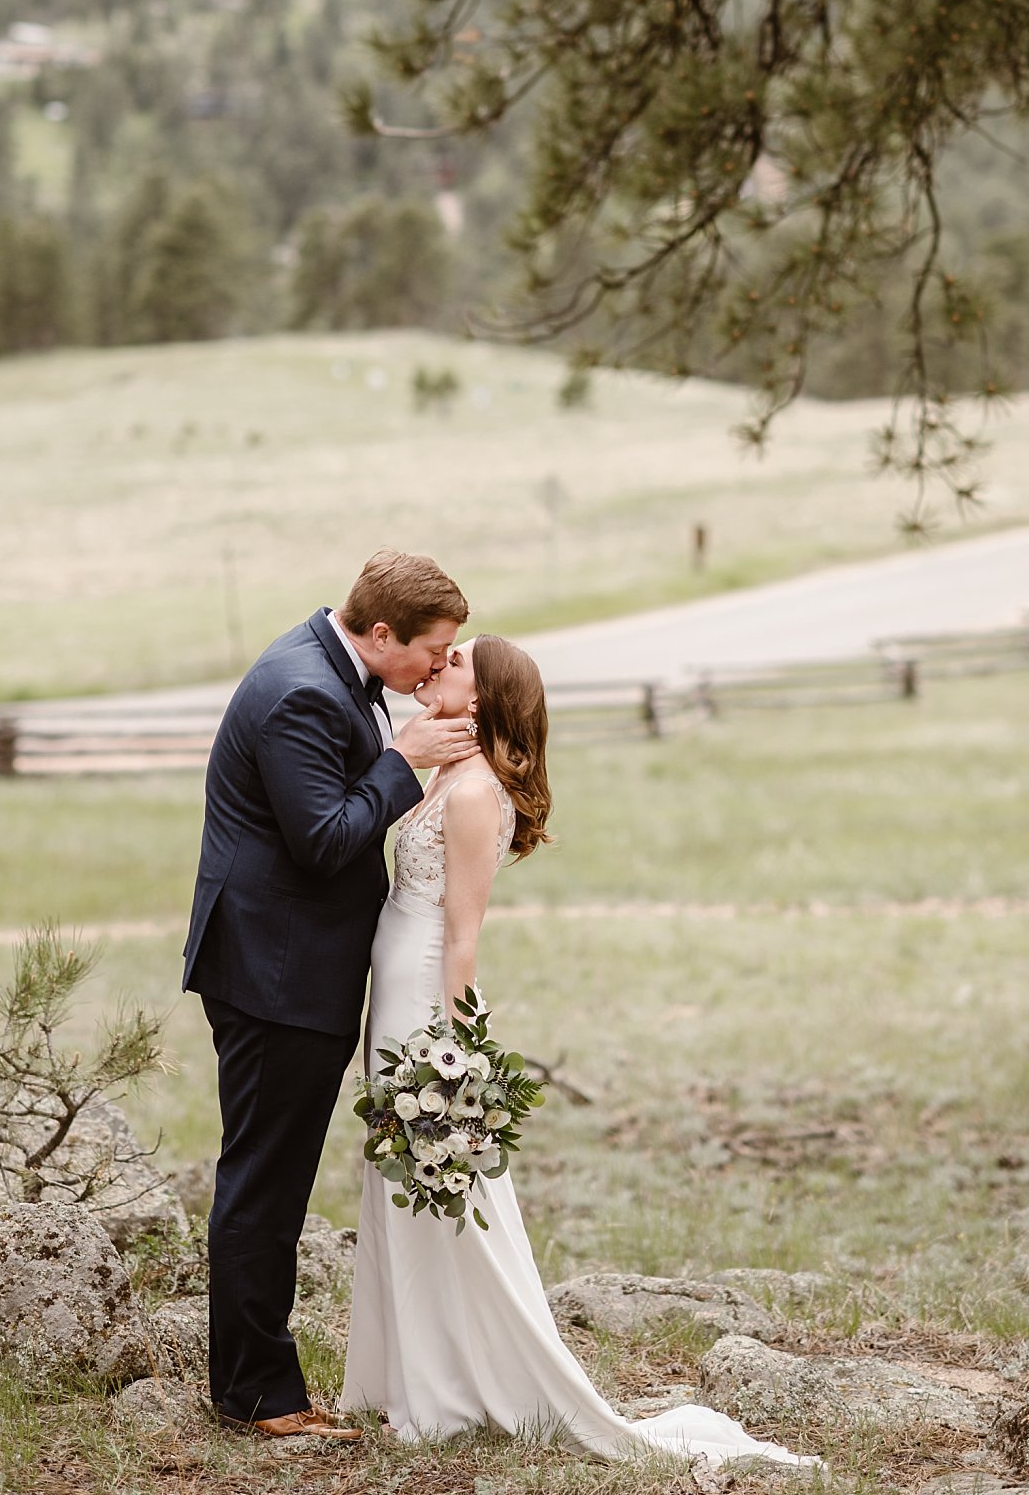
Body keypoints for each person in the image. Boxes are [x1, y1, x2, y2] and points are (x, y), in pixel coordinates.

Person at [341, 633, 818, 1470]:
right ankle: (412, 1372)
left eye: (453, 664)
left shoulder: (477, 792)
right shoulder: (447, 773)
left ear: (482, 698)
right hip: (393, 1001)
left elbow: (462, 937)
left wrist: (453, 1060)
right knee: (399, 1179)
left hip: (423, 1005)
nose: (436, 667)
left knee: (444, 1184)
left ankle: (460, 1384)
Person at [182, 550, 482, 1442]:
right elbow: (323, 838)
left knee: (272, 1176)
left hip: (292, 966)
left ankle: (256, 1384)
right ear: (381, 633)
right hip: (276, 975)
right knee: (264, 1182)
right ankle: (257, 1397)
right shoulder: (301, 691)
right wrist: (400, 759)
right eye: (434, 649)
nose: (438, 666)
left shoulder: (331, 669)